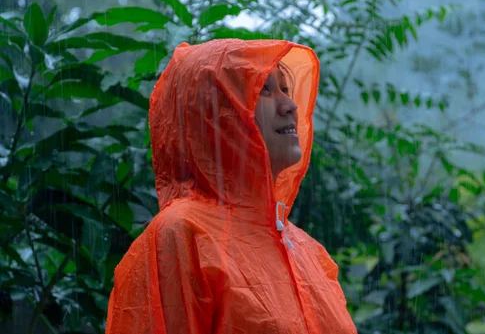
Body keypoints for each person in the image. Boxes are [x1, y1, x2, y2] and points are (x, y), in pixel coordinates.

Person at [104, 39, 358, 334]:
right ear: (216, 116)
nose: (289, 105)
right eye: (264, 89)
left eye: (285, 89)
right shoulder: (181, 235)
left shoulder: (308, 251)